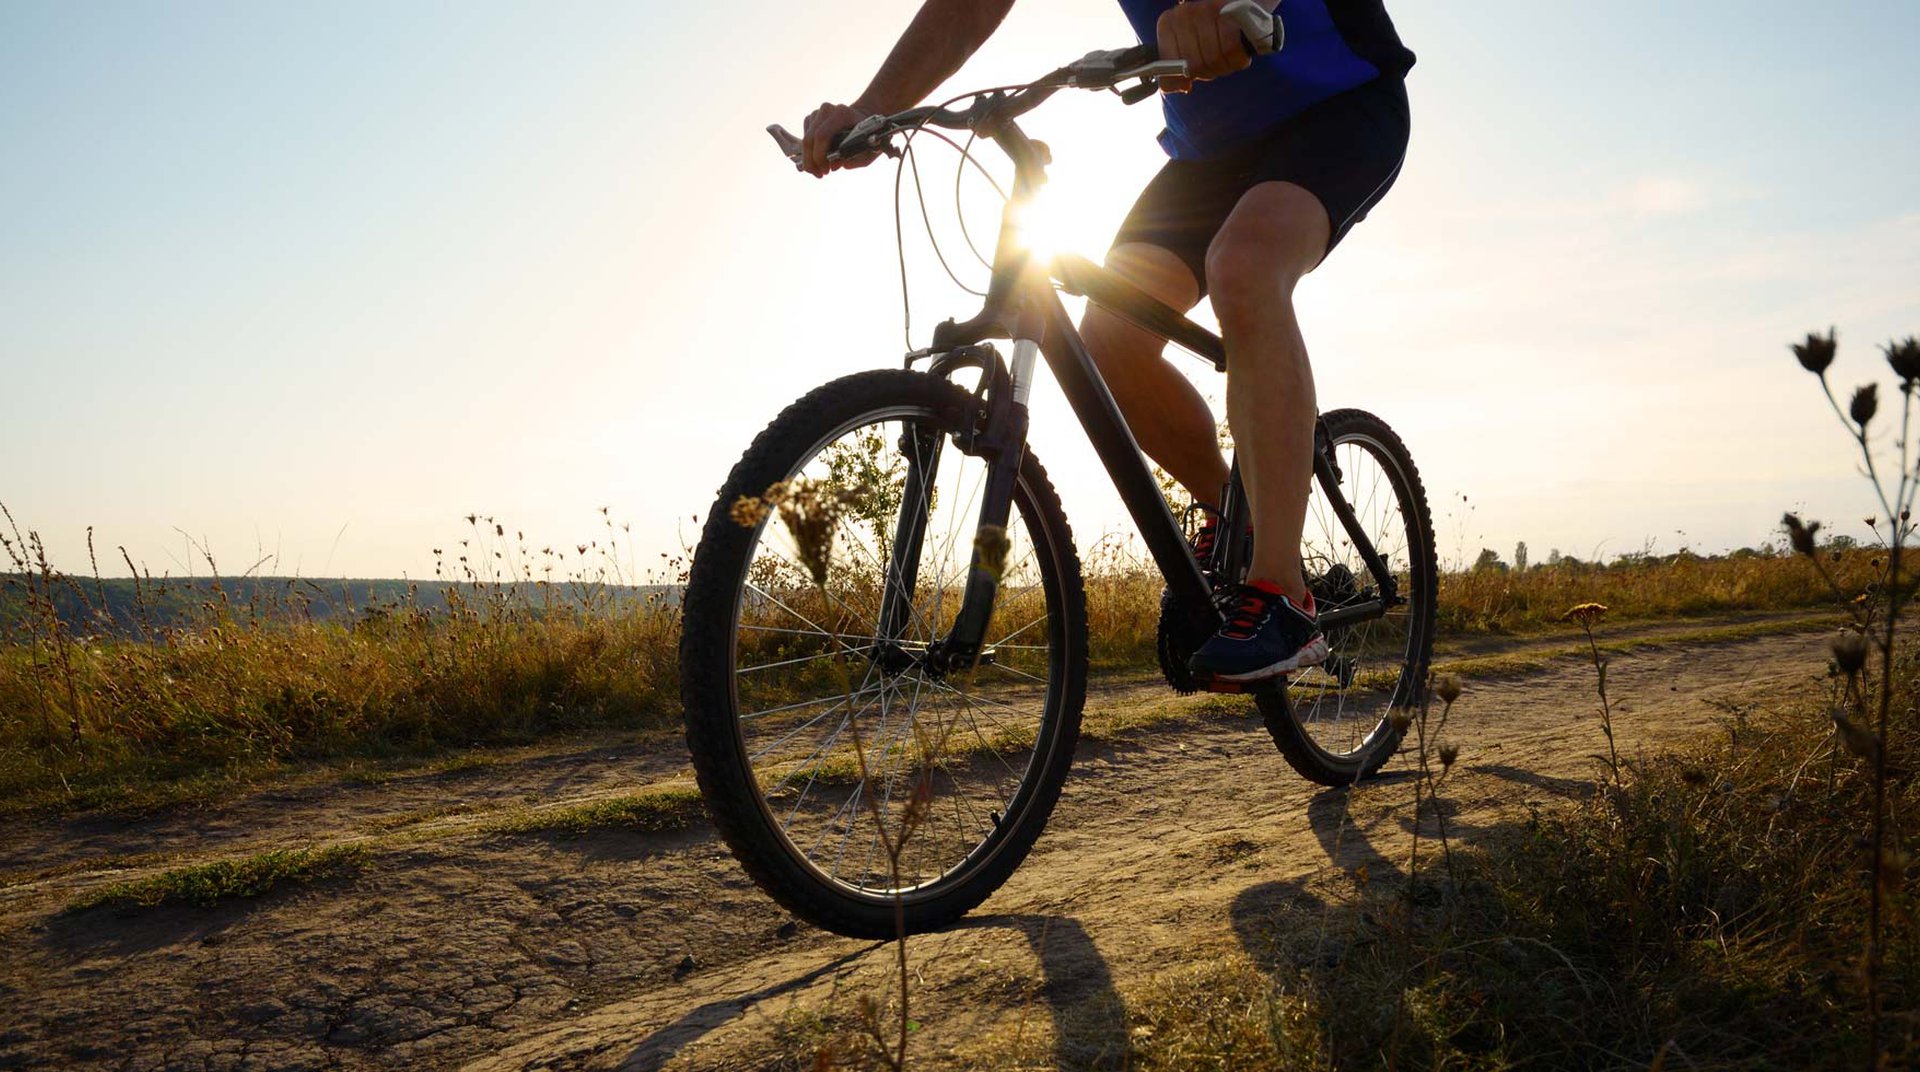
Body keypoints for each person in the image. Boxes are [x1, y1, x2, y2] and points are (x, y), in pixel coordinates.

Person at [801, 0, 1413, 682]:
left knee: (1244, 268)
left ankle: (1281, 594)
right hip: (1210, 153)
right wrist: (872, 106)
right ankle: (1234, 518)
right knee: (1109, 346)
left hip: (1338, 105)